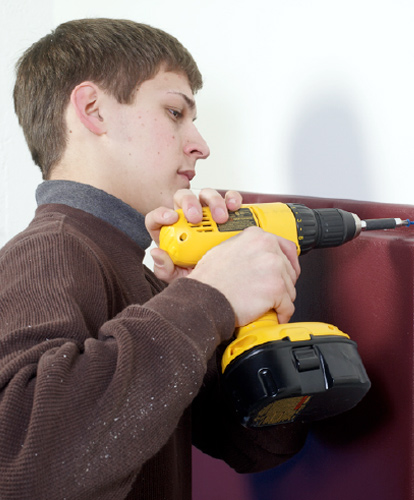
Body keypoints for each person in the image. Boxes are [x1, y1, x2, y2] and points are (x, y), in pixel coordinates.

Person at [0, 18, 307, 500]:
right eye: (174, 112)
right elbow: (24, 465)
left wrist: (241, 321)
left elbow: (256, 447)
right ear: (93, 110)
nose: (199, 145)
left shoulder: (139, 269)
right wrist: (209, 298)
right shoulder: (51, 249)